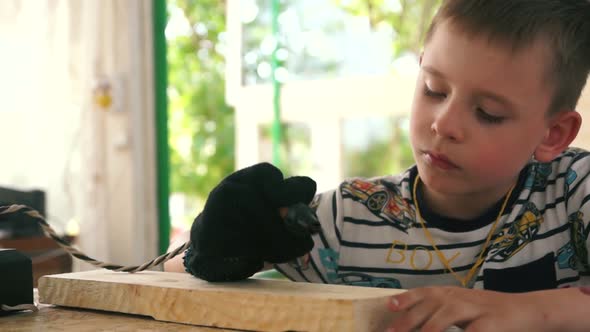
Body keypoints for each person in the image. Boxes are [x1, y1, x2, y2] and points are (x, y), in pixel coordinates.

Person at [166, 0, 590, 330]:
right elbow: (170, 279)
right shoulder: (347, 217)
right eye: (434, 89)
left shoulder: (576, 191)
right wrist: (216, 244)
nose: (444, 124)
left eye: (488, 113)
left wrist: (529, 312)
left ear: (552, 134)